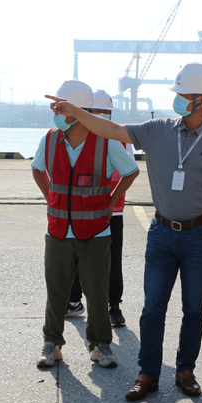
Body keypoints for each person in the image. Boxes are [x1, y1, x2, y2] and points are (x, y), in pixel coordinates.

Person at [47, 63, 202, 400]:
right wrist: (76, 112)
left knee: (194, 308)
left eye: (184, 95)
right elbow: (111, 129)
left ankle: (185, 371)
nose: (178, 100)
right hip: (162, 232)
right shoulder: (157, 130)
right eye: (178, 94)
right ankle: (148, 374)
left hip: (200, 235)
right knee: (153, 308)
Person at [32, 80, 139, 370]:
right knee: (57, 291)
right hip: (57, 230)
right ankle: (51, 343)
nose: (56, 114)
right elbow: (37, 169)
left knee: (96, 292)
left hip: (95, 231)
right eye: (55, 108)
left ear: (79, 112)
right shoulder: (50, 139)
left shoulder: (106, 141)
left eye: (61, 108)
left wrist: (111, 202)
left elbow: (131, 171)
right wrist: (50, 197)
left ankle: (100, 345)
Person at [65, 89, 135, 328]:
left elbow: (129, 171)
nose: (103, 116)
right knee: (76, 256)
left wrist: (111, 201)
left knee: (112, 259)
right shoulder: (78, 136)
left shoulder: (120, 138)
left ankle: (113, 305)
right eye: (98, 111)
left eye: (106, 112)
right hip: (82, 209)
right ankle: (74, 301)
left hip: (111, 211)